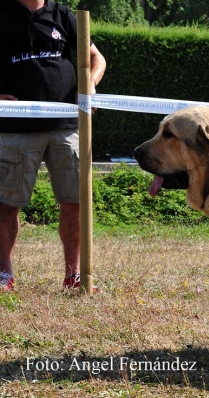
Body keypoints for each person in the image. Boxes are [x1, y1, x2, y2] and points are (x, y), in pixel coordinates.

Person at [0, 0, 107, 292]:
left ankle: (74, 275)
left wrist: (91, 85)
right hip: (16, 128)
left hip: (67, 126)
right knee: (7, 205)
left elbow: (97, 58)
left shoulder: (63, 15)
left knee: (75, 202)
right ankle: (3, 275)